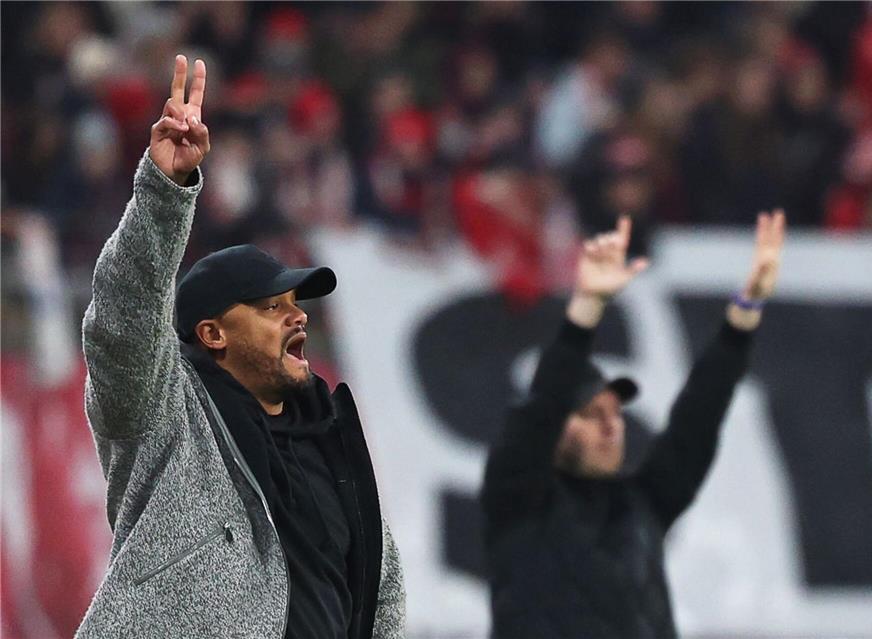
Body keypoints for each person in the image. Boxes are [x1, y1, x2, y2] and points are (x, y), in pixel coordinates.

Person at [77, 55, 405, 639]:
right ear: (212, 334)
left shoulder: (335, 451)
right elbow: (122, 326)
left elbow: (380, 604)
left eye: (296, 304)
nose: (297, 316)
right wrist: (163, 193)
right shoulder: (166, 420)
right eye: (271, 306)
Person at [481, 210, 786, 638]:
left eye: (615, 414)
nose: (612, 427)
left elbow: (698, 416)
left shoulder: (644, 503)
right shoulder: (519, 501)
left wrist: (743, 317)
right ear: (552, 433)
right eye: (590, 415)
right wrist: (585, 311)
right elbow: (543, 405)